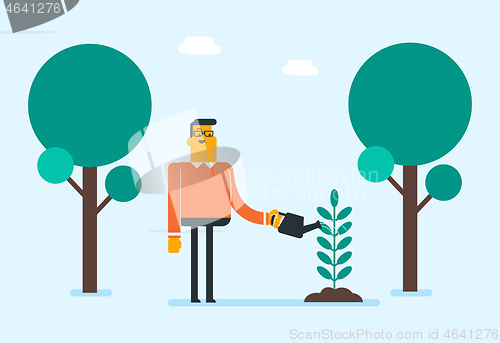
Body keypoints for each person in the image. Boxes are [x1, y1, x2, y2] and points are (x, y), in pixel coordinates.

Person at [167, 118, 283, 303]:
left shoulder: (224, 169)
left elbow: (238, 205)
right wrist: (173, 235)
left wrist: (268, 218)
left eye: (209, 134)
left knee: (209, 256)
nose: (206, 139)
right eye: (200, 135)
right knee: (196, 255)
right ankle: (194, 295)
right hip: (191, 217)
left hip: (217, 216)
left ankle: (209, 295)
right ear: (189, 142)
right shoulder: (178, 169)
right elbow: (173, 202)